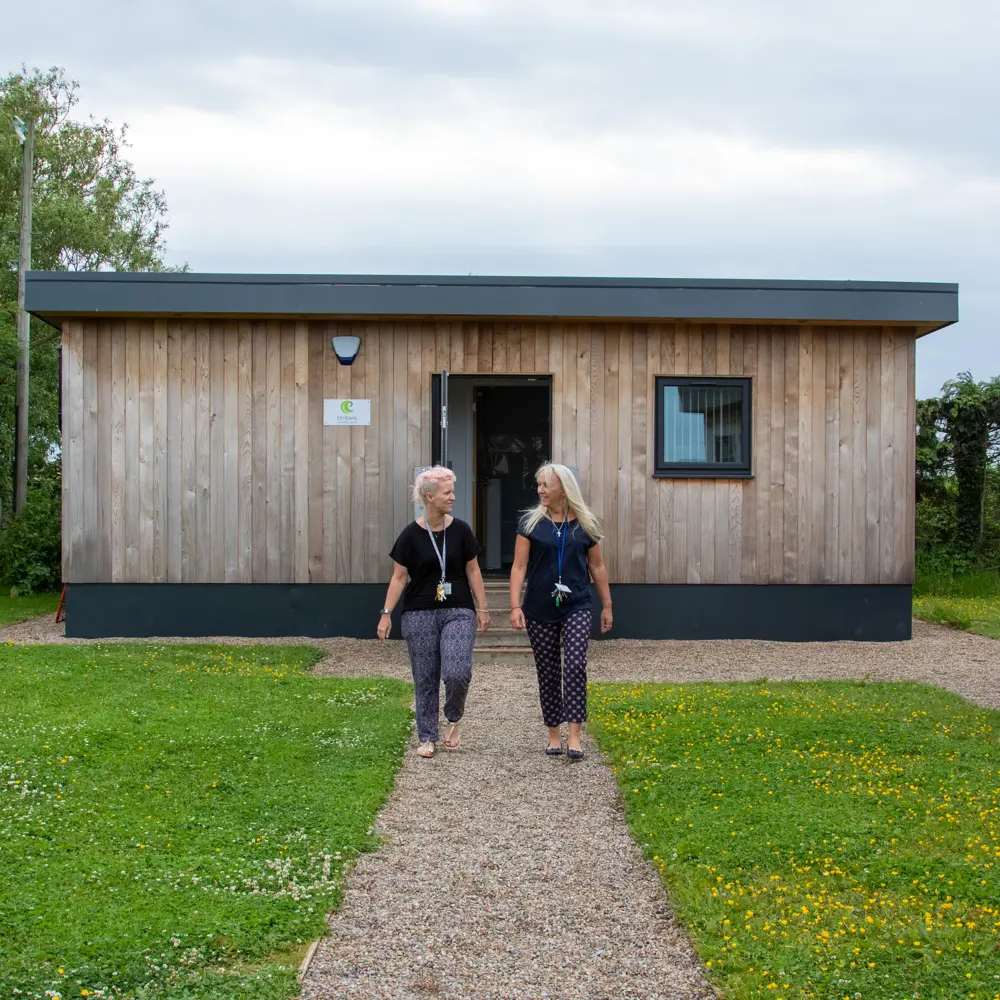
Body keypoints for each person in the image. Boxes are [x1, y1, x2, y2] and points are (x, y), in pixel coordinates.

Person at [377, 467, 490, 758]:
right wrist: (386, 613)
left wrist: (483, 607)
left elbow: (473, 569)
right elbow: (399, 577)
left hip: (458, 610)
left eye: (453, 491)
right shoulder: (410, 535)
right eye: (447, 492)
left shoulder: (462, 530)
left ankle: (453, 717)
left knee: (457, 672)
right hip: (419, 612)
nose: (453, 497)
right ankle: (427, 736)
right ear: (429, 496)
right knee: (425, 677)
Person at [509, 463, 612, 760]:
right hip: (539, 607)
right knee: (549, 669)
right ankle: (554, 733)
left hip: (577, 604)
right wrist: (515, 605)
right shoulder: (530, 524)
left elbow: (597, 566)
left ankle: (575, 736)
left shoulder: (585, 523)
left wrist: (607, 604)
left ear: (562, 489)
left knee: (576, 665)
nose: (540, 490)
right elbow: (519, 567)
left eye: (545, 484)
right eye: (538, 484)